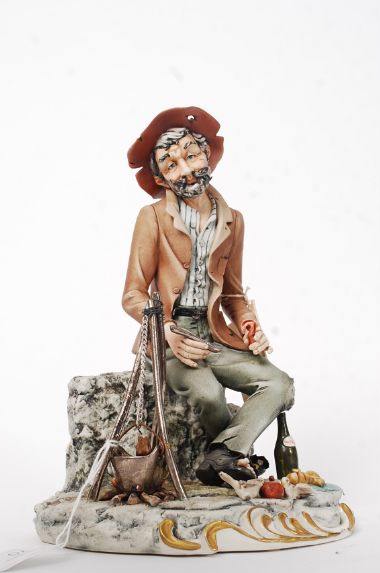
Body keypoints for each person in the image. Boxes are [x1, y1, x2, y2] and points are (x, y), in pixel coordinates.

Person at [123, 106, 294, 486]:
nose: (185, 169)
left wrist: (249, 325)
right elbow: (133, 294)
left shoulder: (234, 219)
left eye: (191, 155)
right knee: (207, 394)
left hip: (216, 334)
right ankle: (234, 457)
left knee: (280, 385)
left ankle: (222, 456)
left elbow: (233, 293)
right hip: (173, 335)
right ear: (161, 179)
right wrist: (166, 331)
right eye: (171, 165)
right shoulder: (152, 217)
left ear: (207, 155)